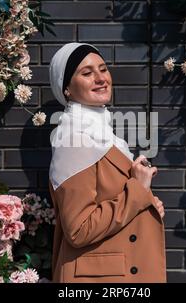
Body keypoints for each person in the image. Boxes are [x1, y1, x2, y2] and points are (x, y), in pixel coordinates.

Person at [48, 43, 166, 283]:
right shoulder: (74, 140)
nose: (101, 78)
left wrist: (146, 206)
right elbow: (79, 230)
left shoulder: (101, 135)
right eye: (87, 73)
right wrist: (138, 191)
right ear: (67, 89)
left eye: (103, 69)